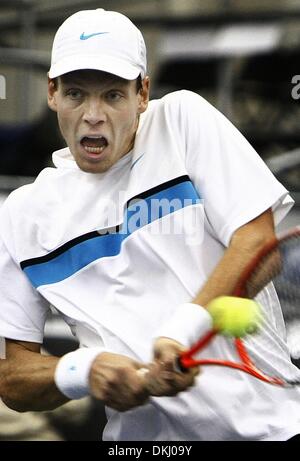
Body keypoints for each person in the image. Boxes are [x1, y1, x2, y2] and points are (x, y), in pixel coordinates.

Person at [0, 8, 300, 442]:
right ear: (52, 92)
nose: (93, 115)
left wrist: (183, 333)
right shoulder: (22, 214)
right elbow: (14, 378)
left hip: (276, 430)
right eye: (76, 94)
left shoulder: (183, 121)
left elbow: (258, 245)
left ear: (142, 93)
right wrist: (85, 369)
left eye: (113, 96)